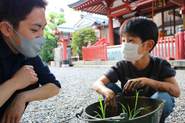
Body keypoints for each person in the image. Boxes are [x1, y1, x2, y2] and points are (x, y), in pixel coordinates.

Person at [93, 17, 180, 123]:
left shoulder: (160, 64)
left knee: (163, 96)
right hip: (128, 105)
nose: (125, 45)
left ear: (148, 45)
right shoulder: (122, 65)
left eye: (130, 40)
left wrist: (146, 81)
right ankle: (121, 119)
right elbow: (98, 83)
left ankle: (156, 120)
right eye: (124, 40)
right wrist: (107, 91)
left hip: (151, 108)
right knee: (108, 85)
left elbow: (176, 91)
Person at [0, 0, 61, 122]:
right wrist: (15, 83)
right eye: (34, 30)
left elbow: (54, 86)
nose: (41, 35)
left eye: (43, 28)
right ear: (7, 28)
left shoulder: (28, 54)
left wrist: (22, 97)